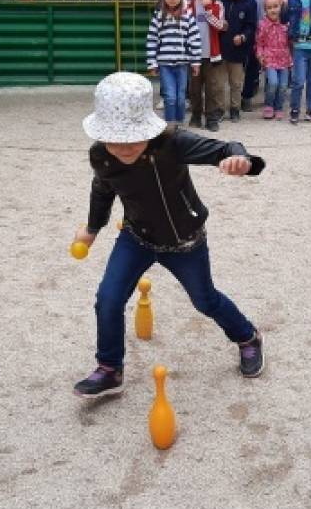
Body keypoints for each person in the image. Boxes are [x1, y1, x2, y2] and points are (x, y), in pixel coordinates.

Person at [72, 72, 266, 397]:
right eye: (113, 138)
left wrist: (242, 160)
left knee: (205, 301)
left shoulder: (173, 143)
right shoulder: (101, 155)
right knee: (108, 299)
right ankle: (109, 368)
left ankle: (248, 337)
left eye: (131, 137)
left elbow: (226, 149)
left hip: (184, 242)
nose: (123, 147)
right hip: (137, 237)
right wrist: (92, 229)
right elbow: (102, 189)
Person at [146, 0, 201, 125]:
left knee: (181, 97)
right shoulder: (159, 16)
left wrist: (196, 61)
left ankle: (179, 125)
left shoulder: (187, 15)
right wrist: (152, 62)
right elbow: (152, 40)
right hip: (165, 65)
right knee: (170, 97)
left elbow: (194, 39)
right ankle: (169, 126)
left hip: (182, 65)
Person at [242, 0, 287, 112]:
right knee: (252, 68)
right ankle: (246, 97)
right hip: (257, 38)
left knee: (273, 70)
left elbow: (284, 15)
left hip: (274, 40)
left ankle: (271, 98)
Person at [188, 0, 228, 131]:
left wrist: (208, 9)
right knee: (195, 89)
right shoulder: (189, 4)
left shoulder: (218, 4)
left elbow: (219, 27)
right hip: (194, 56)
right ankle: (196, 115)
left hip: (211, 55)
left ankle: (211, 118)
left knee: (212, 88)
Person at [219, 0, 257, 123]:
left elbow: (251, 25)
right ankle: (219, 110)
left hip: (238, 50)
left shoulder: (250, 3)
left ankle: (235, 109)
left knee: (236, 82)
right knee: (219, 83)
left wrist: (243, 36)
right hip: (220, 49)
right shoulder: (220, 1)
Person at [255, 0, 293, 119]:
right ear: (265, 10)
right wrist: (260, 56)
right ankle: (269, 105)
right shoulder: (263, 25)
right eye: (269, 7)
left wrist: (287, 4)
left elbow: (291, 39)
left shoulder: (285, 24)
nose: (273, 10)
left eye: (275, 6)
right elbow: (259, 43)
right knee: (273, 83)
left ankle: (279, 107)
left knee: (283, 86)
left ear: (280, 7)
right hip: (269, 59)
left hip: (284, 59)